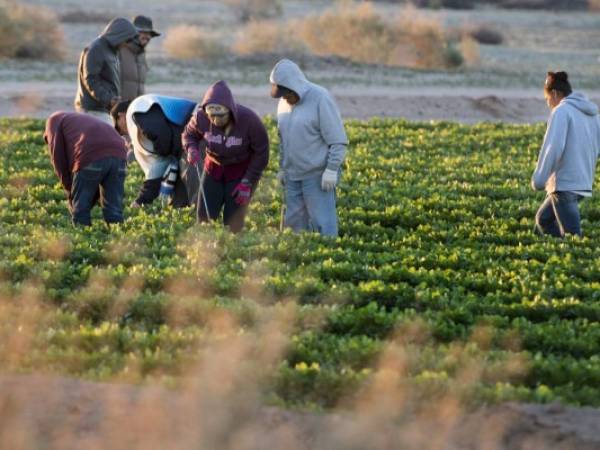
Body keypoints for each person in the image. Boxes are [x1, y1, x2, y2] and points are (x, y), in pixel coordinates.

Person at [269, 59, 348, 237]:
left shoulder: (320, 98)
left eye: (287, 94)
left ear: (295, 86)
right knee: (293, 227)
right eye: (281, 95)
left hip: (317, 175)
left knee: (324, 224)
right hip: (293, 175)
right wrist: (283, 168)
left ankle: (327, 259)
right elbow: (283, 139)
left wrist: (331, 169)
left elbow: (338, 140)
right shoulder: (283, 103)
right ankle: (299, 261)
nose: (284, 98)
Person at [182, 80, 269, 233]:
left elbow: (261, 153)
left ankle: (232, 252)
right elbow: (189, 135)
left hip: (240, 173)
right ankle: (207, 251)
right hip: (213, 170)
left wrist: (248, 182)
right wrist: (191, 149)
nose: (215, 120)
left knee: (233, 223)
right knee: (204, 218)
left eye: (220, 115)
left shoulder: (249, 120)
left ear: (229, 110)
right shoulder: (200, 118)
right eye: (211, 115)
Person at [532, 71, 600, 238]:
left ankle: (575, 258)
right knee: (544, 219)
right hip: (581, 182)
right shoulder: (592, 114)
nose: (548, 104)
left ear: (555, 93)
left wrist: (539, 180)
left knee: (573, 237)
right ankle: (560, 253)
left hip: (565, 184)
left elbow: (552, 149)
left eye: (548, 99)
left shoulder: (561, 111)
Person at [111, 95, 198, 208]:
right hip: (184, 144)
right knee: (180, 202)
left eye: (118, 129)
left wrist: (163, 154)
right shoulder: (143, 117)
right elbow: (157, 169)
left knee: (195, 194)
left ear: (121, 116)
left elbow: (162, 137)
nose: (123, 133)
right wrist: (141, 200)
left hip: (193, 137)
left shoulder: (137, 111)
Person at [44, 112, 128, 226]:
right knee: (114, 210)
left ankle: (84, 236)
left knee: (80, 210)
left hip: (91, 153)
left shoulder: (53, 122)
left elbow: (59, 160)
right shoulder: (77, 121)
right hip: (120, 153)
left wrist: (71, 193)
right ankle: (118, 238)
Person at [74, 17, 138, 124]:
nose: (127, 44)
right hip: (92, 110)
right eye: (127, 40)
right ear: (119, 35)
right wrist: (109, 99)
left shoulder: (111, 50)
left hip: (103, 109)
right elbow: (90, 79)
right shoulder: (96, 49)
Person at [119, 16, 160, 102]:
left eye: (150, 34)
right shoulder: (119, 51)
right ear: (132, 33)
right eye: (143, 32)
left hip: (134, 109)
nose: (147, 36)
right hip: (117, 110)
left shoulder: (141, 54)